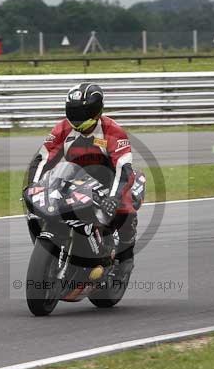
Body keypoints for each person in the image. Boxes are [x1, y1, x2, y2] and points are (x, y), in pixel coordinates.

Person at [25, 82, 137, 277]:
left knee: (125, 209)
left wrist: (114, 197)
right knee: (38, 207)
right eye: (73, 111)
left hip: (108, 183)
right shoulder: (62, 128)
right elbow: (42, 160)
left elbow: (124, 169)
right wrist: (33, 185)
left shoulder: (113, 131)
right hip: (73, 180)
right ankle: (54, 248)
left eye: (82, 112)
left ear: (96, 110)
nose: (77, 117)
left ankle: (125, 258)